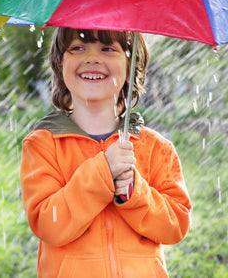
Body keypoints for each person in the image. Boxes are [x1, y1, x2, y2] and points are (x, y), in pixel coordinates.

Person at [19, 28, 192, 278]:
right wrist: (102, 173)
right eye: (77, 48)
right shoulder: (44, 144)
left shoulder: (156, 148)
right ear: (60, 62)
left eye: (108, 48)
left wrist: (135, 192)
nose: (92, 58)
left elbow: (176, 225)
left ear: (130, 65)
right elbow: (49, 224)